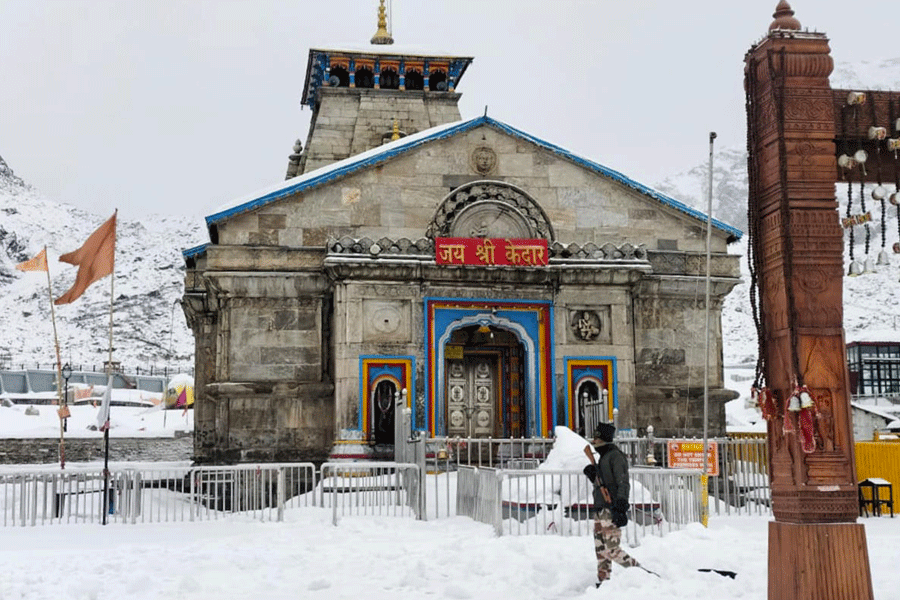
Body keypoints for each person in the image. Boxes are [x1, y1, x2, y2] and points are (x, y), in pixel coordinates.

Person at [583, 421, 642, 587]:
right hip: (601, 509)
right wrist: (593, 475)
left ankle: (640, 572)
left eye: (596, 438)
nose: (593, 442)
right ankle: (604, 582)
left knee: (612, 550)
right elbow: (603, 484)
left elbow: (622, 482)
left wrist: (621, 505)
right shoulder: (603, 457)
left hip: (611, 508)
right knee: (601, 550)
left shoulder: (615, 456)